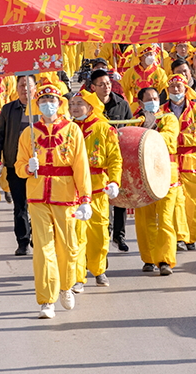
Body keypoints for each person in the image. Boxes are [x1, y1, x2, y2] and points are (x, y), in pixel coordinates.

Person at [15, 84, 91, 319]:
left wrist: (85, 198)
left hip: (66, 195)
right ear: (37, 105)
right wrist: (28, 167)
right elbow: (18, 167)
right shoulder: (28, 133)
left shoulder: (72, 130)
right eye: (43, 99)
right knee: (43, 248)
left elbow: (81, 166)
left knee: (68, 247)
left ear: (60, 103)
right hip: (38, 196)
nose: (48, 103)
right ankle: (47, 300)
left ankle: (66, 286)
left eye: (52, 99)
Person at [68, 90, 121, 290]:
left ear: (90, 107)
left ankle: (98, 269)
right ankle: (78, 277)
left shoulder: (104, 128)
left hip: (99, 189)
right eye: (72, 103)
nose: (74, 107)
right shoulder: (68, 129)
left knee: (99, 234)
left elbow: (115, 158)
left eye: (79, 103)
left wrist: (115, 181)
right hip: (74, 191)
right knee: (77, 235)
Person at [160, 74, 196, 250]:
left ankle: (191, 237)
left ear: (186, 89)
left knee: (194, 203)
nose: (176, 90)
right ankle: (180, 237)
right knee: (176, 202)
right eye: (172, 87)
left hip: (193, 162)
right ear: (167, 90)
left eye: (179, 86)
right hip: (170, 161)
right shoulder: (160, 112)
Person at [132, 87, 179, 274]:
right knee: (145, 221)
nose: (154, 101)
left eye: (155, 98)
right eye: (149, 99)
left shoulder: (168, 118)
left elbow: (168, 140)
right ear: (141, 103)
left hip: (166, 174)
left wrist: (148, 131)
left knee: (166, 219)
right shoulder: (136, 119)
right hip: (143, 176)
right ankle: (149, 258)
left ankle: (165, 260)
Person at [0, 75, 37, 256]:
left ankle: (38, 237)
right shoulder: (8, 109)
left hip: (38, 166)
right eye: (22, 85)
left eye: (29, 85)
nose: (25, 89)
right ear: (16, 88)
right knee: (20, 206)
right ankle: (23, 241)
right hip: (15, 164)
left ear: (35, 88)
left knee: (38, 205)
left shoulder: (41, 109)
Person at [89, 68, 133, 252]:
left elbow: (130, 129)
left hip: (116, 158)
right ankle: (105, 233)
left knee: (119, 198)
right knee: (101, 200)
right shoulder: (88, 107)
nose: (106, 87)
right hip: (97, 161)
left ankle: (119, 235)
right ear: (93, 87)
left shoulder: (121, 104)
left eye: (108, 83)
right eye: (101, 84)